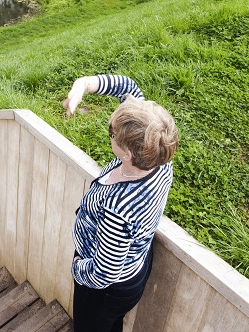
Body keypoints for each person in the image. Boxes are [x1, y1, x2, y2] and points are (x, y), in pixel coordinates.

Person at [63, 74, 179, 332]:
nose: (110, 133)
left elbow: (103, 274)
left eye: (111, 133)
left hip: (106, 289)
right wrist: (84, 85)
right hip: (134, 263)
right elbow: (128, 87)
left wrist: (77, 268)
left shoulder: (119, 208)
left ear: (127, 154)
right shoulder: (157, 153)